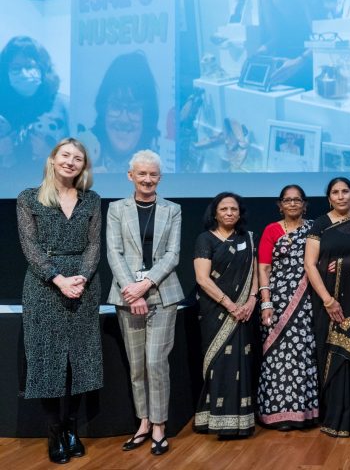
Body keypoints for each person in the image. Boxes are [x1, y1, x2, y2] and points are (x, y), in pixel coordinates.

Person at [16, 138, 102, 464]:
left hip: (83, 284)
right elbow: (30, 247)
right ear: (52, 160)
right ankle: (54, 432)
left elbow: (94, 246)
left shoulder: (91, 200)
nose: (70, 162)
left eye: (77, 158)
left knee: (80, 361)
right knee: (48, 361)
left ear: (84, 166)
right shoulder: (29, 198)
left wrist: (80, 277)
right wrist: (57, 278)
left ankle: (71, 429)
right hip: (44, 287)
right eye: (65, 155)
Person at [105, 150, 184, 455]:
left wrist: (145, 285)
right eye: (142, 174)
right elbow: (114, 252)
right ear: (131, 176)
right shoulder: (116, 209)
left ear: (159, 178)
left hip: (163, 293)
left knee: (155, 362)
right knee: (137, 366)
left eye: (153, 174)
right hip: (126, 296)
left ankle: (160, 426)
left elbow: (173, 255)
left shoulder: (172, 210)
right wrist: (132, 290)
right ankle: (143, 423)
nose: (147, 179)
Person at [304, 177, 350, 437]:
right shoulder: (320, 224)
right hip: (328, 299)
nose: (340, 196)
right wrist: (327, 299)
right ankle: (334, 417)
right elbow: (310, 264)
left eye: (345, 191)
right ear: (329, 198)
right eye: (335, 192)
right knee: (332, 354)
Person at [193, 192, 259, 437]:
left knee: (242, 362)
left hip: (245, 312)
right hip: (216, 311)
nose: (229, 213)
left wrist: (252, 300)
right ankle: (214, 418)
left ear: (240, 213)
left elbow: (255, 273)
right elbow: (202, 279)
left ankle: (240, 420)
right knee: (219, 362)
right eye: (224, 209)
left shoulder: (249, 238)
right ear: (215, 212)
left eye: (234, 209)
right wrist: (231, 305)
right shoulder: (205, 239)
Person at [257, 185, 319, 430]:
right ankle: (277, 412)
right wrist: (266, 302)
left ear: (304, 204)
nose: (292, 204)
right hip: (277, 303)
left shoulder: (314, 228)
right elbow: (263, 268)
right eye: (287, 200)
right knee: (276, 358)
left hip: (307, 302)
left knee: (303, 355)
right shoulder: (271, 230)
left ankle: (304, 412)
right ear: (280, 204)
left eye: (297, 200)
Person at [0, 36, 68, 172]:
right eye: (16, 67)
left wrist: (50, 156)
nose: (24, 73)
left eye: (30, 66)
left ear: (43, 69)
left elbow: (83, 161)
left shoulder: (63, 106)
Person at [92, 51, 160, 172]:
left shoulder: (163, 168)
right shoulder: (78, 165)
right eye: (116, 107)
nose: (124, 119)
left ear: (147, 116)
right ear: (103, 110)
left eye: (133, 109)